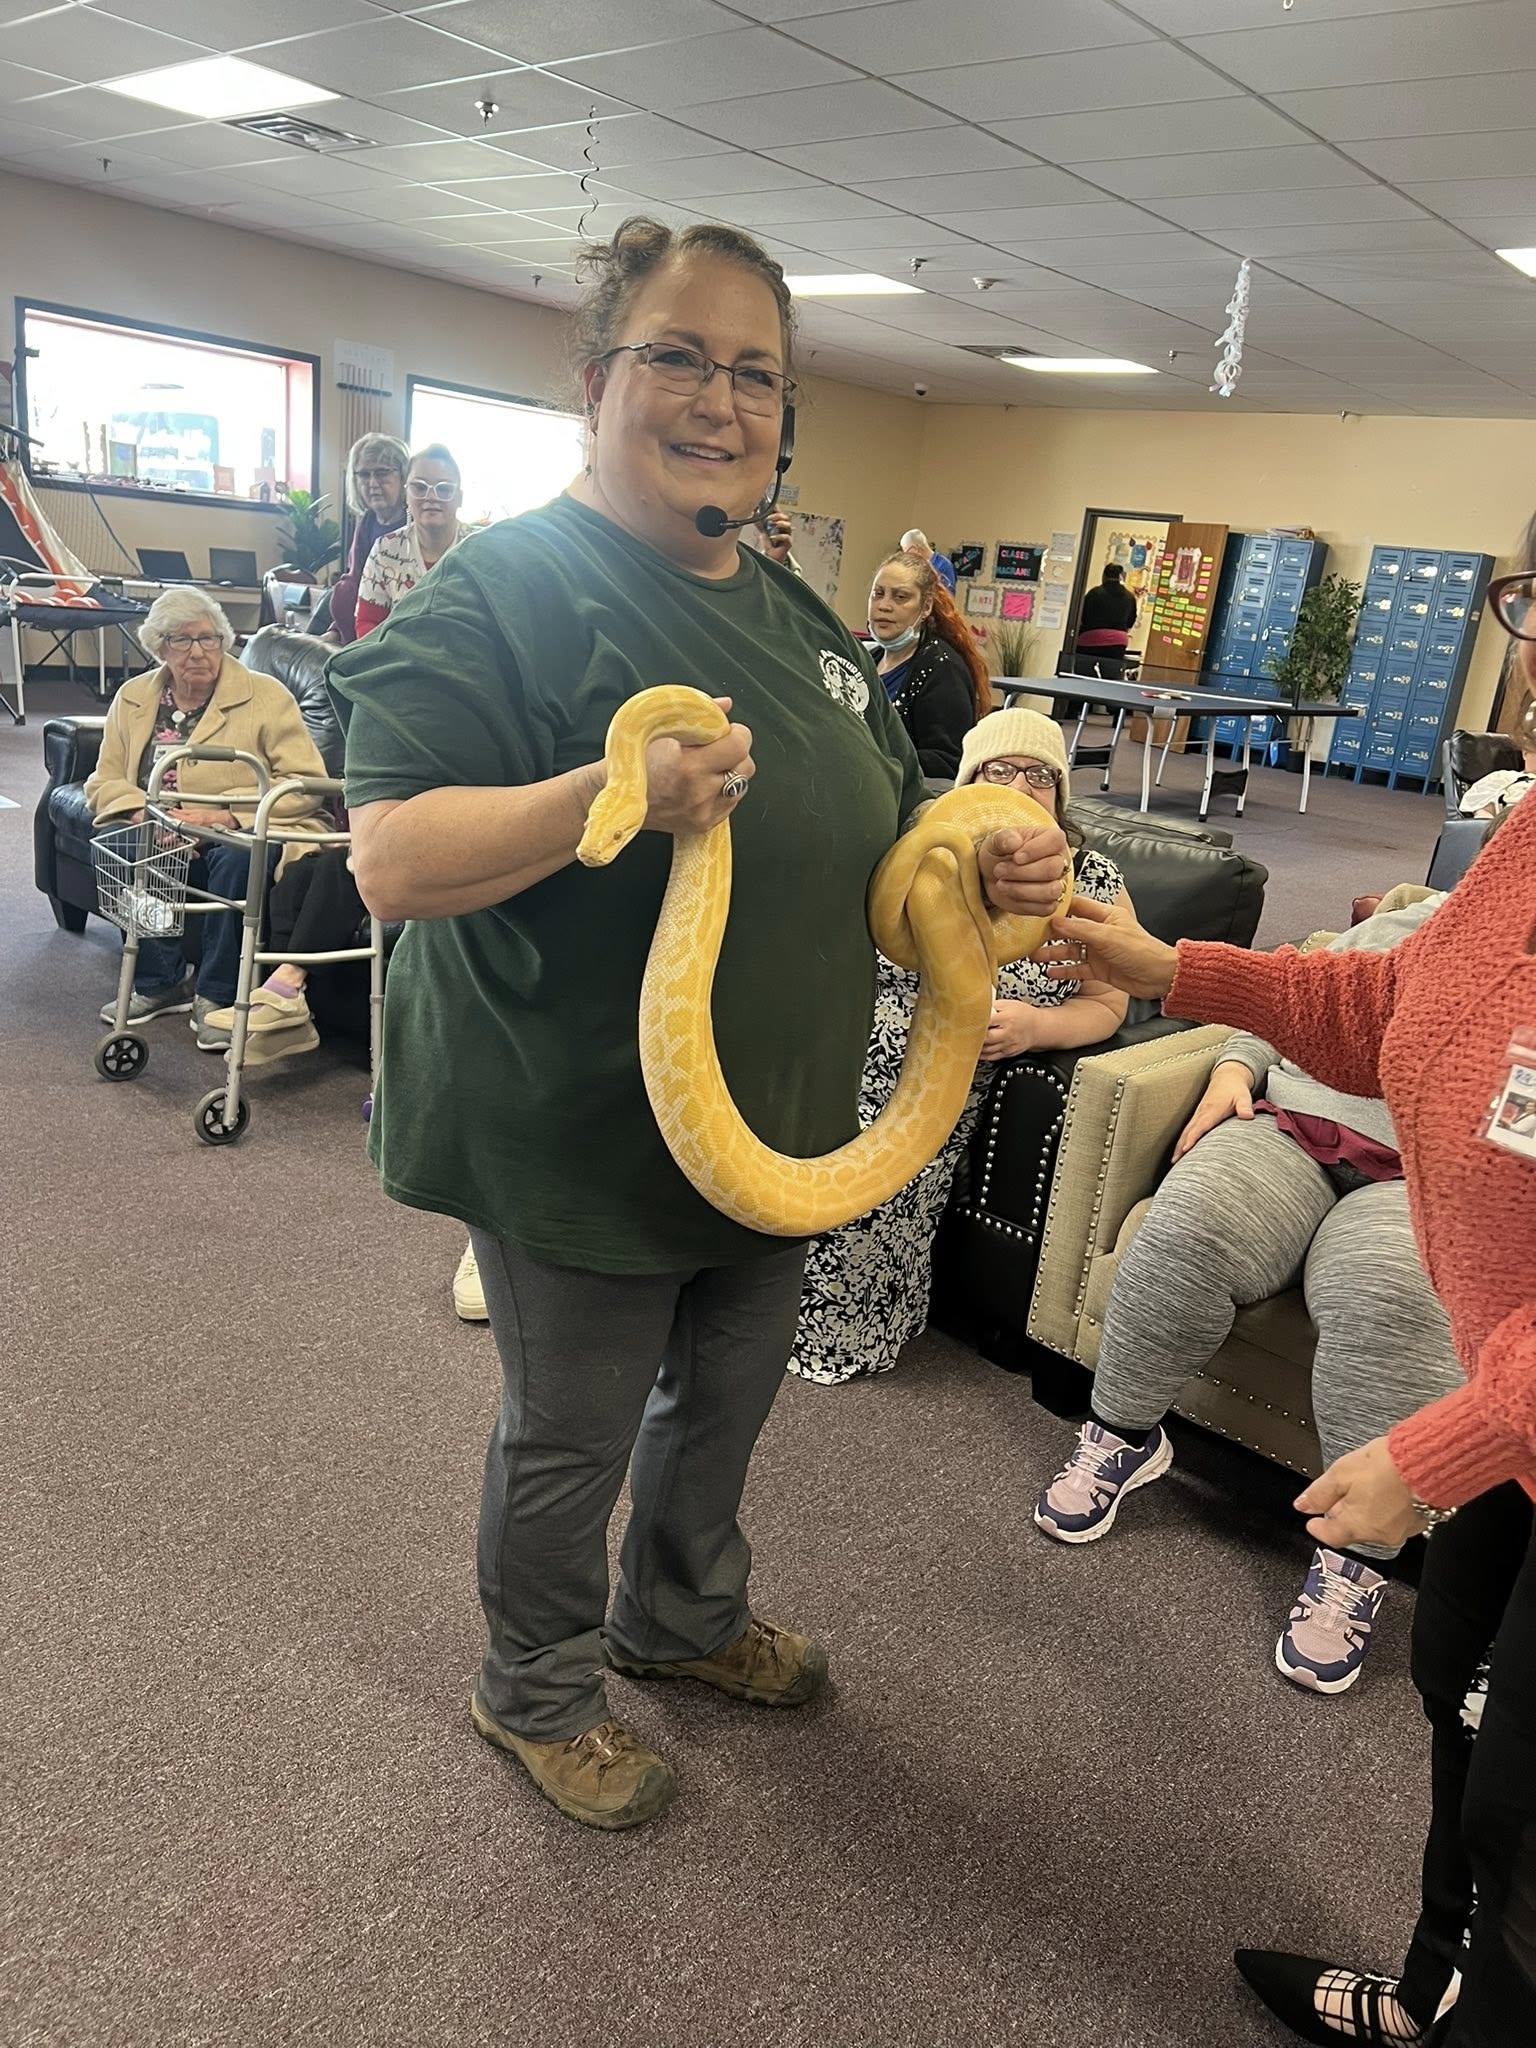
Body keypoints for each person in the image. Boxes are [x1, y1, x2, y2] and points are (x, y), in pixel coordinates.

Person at [328, 215, 1071, 1834]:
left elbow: (882, 873)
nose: (718, 398)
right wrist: (617, 787)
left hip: (776, 1136)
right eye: (678, 354)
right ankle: (531, 1683)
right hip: (576, 1125)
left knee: (723, 1404)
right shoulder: (507, 583)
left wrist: (979, 849)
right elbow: (387, 852)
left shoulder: (804, 624)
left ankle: (675, 1615)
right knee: (571, 1431)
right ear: (598, 376)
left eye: (755, 371)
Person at [1040, 539, 1536, 2046]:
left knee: (1528, 1815)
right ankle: (1431, 1994)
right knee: (1456, 1687)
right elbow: (1398, 1001)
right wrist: (1171, 967)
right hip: (1511, 1410)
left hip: (1501, 1408)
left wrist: (1423, 1449)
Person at [1034, 892, 1464, 1696]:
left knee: (1395, 1301)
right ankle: (1123, 1436)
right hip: (1295, 1123)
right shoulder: (1425, 918)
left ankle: (1351, 1561)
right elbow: (1290, 991)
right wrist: (1234, 1067)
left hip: (1430, 1175)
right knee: (1185, 1228)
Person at [790, 708, 1127, 1385]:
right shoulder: (925, 851)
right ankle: (746, 1322)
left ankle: (837, 1338)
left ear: (1061, 797)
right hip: (845, 1041)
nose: (1020, 787)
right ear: (967, 782)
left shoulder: (1087, 881)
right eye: (999, 771)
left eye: (1040, 776)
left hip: (942, 1074)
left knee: (881, 1177)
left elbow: (1110, 1002)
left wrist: (1034, 1026)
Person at [86, 590, 329, 1049]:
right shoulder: (134, 697)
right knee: (122, 849)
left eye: (210, 639)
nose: (198, 652)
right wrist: (148, 813)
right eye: (182, 641)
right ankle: (161, 981)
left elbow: (304, 783)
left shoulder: (266, 696)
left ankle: (217, 995)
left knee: (237, 863)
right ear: (158, 647)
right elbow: (104, 780)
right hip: (161, 824)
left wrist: (225, 815)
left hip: (240, 826)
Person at [868, 549, 990, 778]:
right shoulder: (867, 661)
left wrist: (872, 759)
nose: (884, 605)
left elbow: (947, 762)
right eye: (878, 594)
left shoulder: (942, 669)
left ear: (925, 607)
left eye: (900, 597)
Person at [352, 443, 465, 638]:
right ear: (406, 495)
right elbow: (367, 622)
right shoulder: (384, 550)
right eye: (419, 487)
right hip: (396, 662)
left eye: (444, 489)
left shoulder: (481, 548)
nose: (431, 497)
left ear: (460, 498)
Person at [326, 433, 408, 646]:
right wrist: (334, 631)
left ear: (404, 477)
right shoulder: (367, 522)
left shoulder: (413, 528)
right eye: (363, 475)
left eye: (382, 473)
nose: (372, 483)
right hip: (349, 637)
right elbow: (356, 582)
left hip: (382, 643)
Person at [1074, 562, 1137, 679]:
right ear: (1120, 577)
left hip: (1090, 640)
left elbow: (1083, 617)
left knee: (1082, 677)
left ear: (1104, 576)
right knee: (1111, 679)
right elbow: (1130, 621)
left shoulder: (1094, 593)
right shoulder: (1129, 596)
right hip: (1118, 642)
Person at [901, 527, 957, 593]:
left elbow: (947, 597)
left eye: (907, 552)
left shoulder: (944, 566)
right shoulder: (916, 567)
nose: (908, 557)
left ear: (915, 549)